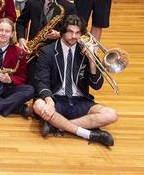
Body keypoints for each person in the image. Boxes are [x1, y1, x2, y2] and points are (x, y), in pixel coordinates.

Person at [33, 15, 118, 147]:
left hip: (79, 100)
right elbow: (41, 82)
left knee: (111, 114)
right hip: (56, 98)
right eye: (70, 32)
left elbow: (96, 85)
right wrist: (49, 102)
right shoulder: (47, 51)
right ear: (62, 31)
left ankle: (58, 125)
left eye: (78, 33)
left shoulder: (85, 51)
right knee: (38, 105)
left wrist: (92, 61)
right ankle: (88, 134)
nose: (74, 36)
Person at [16, 0, 76, 85]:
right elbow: (21, 21)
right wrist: (21, 39)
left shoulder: (69, 7)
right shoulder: (33, 1)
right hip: (34, 50)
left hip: (56, 51)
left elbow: (76, 30)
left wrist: (60, 34)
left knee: (52, 83)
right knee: (30, 83)